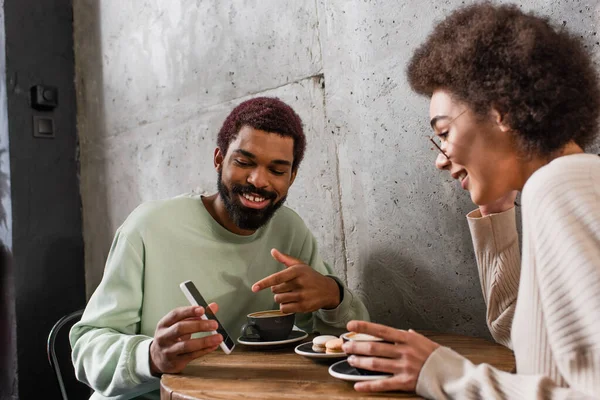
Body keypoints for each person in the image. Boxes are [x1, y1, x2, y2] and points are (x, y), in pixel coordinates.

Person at [342, 3, 600, 398]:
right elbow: (523, 335)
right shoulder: (560, 186)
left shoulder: (562, 185)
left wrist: (443, 373)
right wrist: (497, 214)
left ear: (503, 112)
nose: (440, 158)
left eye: (443, 132)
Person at [70, 97, 370, 399]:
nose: (258, 181)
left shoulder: (289, 231)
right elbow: (86, 349)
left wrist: (333, 296)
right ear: (219, 159)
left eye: (277, 171)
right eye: (244, 162)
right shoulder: (148, 227)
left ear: (291, 177)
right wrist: (151, 356)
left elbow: (342, 342)